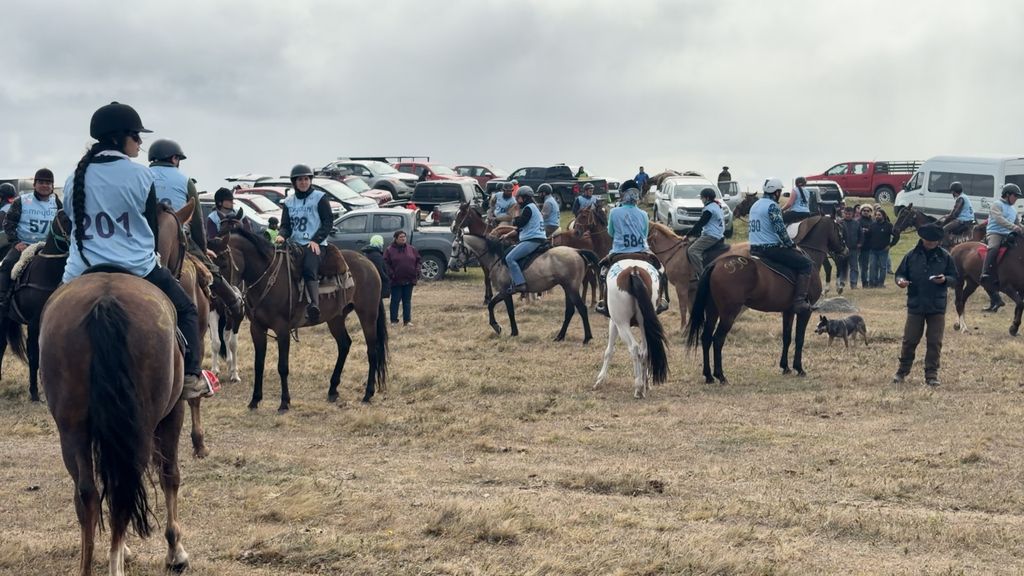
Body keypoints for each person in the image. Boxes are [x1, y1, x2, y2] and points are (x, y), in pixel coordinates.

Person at [62, 102, 211, 399]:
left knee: (48, 315)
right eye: (136, 136)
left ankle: (48, 373)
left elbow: (71, 219)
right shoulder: (141, 176)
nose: (140, 142)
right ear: (117, 137)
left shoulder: (73, 178)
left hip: (80, 269)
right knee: (187, 310)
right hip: (137, 266)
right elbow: (151, 229)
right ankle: (191, 377)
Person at [149, 138, 240, 316]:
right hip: (178, 238)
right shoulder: (185, 180)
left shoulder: (142, 175)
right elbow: (197, 222)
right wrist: (202, 249)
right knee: (211, 271)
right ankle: (234, 303)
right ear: (174, 158)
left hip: (145, 238)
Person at [893, 224, 958, 387]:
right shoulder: (911, 256)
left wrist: (945, 280)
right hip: (916, 303)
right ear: (922, 239)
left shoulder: (946, 257)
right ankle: (902, 371)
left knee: (935, 342)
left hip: (937, 305)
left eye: (934, 241)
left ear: (938, 241)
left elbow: (955, 278)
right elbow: (900, 274)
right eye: (928, 240)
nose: (931, 243)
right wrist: (900, 281)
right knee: (909, 340)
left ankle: (931, 374)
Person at [595, 179, 668, 316]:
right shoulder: (643, 214)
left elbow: (611, 232)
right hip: (642, 251)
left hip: (619, 252)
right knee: (661, 270)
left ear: (623, 195)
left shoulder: (614, 212)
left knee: (603, 272)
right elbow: (644, 234)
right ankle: (660, 300)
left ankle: (605, 302)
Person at [0, 168, 63, 318]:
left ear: (52, 186)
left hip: (48, 246)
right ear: (34, 184)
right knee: (7, 264)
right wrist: (16, 242)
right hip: (25, 245)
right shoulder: (22, 201)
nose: (45, 185)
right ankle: (2, 300)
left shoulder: (57, 202)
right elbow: (8, 223)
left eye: (48, 183)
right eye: (41, 182)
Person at [275, 164, 333, 323]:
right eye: (300, 180)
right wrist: (281, 235)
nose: (303, 182)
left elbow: (328, 221)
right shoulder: (288, 202)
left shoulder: (319, 198)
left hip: (314, 244)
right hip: (294, 244)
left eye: (306, 179)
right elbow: (286, 226)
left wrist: (316, 240)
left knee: (308, 266)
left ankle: (314, 305)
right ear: (294, 182)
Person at [748, 177, 813, 313]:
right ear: (776, 192)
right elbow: (780, 230)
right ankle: (799, 301)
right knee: (806, 264)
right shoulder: (772, 206)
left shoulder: (755, 205)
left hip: (753, 248)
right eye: (780, 191)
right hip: (771, 249)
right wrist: (791, 244)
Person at [501, 186, 546, 294]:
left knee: (510, 258)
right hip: (535, 238)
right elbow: (520, 228)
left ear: (524, 198)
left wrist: (516, 212)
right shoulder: (533, 207)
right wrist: (507, 235)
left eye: (518, 198)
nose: (517, 200)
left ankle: (520, 284)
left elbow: (519, 223)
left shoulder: (528, 208)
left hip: (532, 240)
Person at [981, 183, 1023, 290]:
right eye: (1015, 196)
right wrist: (1013, 227)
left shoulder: (1013, 209)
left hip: (1008, 233)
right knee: (994, 247)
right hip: (995, 233)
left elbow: (1017, 223)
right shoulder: (997, 204)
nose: (1016, 199)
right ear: (1007, 194)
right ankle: (985, 272)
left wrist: (1021, 227)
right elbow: (998, 219)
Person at [685, 187, 725, 279]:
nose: (701, 199)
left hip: (711, 236)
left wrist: (688, 235)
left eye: (702, 197)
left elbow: (700, 224)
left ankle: (702, 275)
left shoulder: (709, 209)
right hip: (718, 234)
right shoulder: (717, 205)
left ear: (707, 198)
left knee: (692, 251)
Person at [384, 230, 420, 325]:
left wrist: (416, 271)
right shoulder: (389, 250)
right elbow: (386, 264)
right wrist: (392, 274)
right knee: (395, 301)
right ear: (396, 239)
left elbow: (418, 261)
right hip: (396, 280)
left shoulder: (411, 249)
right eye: (401, 237)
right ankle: (394, 321)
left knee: (407, 301)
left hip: (409, 279)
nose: (403, 238)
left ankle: (407, 321)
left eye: (404, 236)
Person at [865, 208, 895, 287]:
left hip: (883, 250)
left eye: (879, 215)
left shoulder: (889, 225)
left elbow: (896, 236)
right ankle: (872, 283)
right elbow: (868, 236)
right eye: (876, 215)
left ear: (883, 216)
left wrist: (891, 245)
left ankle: (880, 283)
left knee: (883, 267)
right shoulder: (872, 225)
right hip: (873, 250)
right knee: (872, 267)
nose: (877, 216)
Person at [837, 206, 863, 291]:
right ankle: (841, 282)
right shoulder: (840, 223)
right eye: (846, 214)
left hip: (853, 249)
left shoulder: (856, 223)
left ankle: (853, 283)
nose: (847, 215)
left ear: (853, 214)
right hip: (843, 249)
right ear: (843, 214)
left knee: (854, 267)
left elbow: (861, 234)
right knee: (842, 267)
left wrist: (860, 243)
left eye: (849, 214)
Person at [361, 234, 390, 300]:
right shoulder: (376, 256)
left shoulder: (368, 253)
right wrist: (387, 278)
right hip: (375, 284)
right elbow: (379, 271)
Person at [857, 204, 874, 288]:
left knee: (873, 266)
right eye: (864, 210)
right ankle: (865, 283)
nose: (866, 212)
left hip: (872, 247)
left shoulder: (873, 221)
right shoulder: (858, 221)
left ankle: (872, 281)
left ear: (870, 212)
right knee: (863, 266)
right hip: (862, 247)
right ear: (861, 212)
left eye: (868, 211)